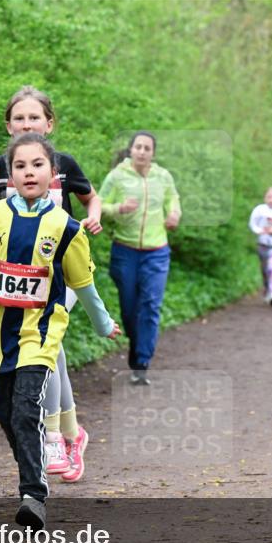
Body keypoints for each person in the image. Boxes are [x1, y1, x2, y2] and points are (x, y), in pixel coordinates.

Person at [0, 133, 120, 529]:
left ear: (53, 174)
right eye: (20, 166)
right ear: (9, 176)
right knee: (5, 412)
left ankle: (33, 494)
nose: (29, 172)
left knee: (28, 408)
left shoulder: (65, 227)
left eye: (37, 165)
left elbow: (83, 285)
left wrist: (103, 324)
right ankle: (33, 469)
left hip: (41, 333)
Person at [0, 86, 98, 483]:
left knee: (45, 345)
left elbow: (91, 199)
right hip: (16, 279)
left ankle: (53, 435)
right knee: (51, 349)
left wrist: (93, 219)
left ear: (49, 123)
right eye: (19, 118)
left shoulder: (63, 164)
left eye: (34, 118)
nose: (26, 124)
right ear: (7, 125)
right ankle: (72, 433)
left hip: (60, 274)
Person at [98, 131, 181, 385]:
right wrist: (118, 208)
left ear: (153, 153)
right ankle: (137, 346)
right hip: (125, 250)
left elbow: (173, 199)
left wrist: (174, 214)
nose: (142, 151)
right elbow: (98, 205)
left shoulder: (163, 176)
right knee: (129, 308)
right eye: (138, 147)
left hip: (157, 251)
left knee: (151, 304)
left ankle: (142, 361)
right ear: (131, 150)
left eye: (147, 148)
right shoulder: (117, 176)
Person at [248, 187, 272, 306]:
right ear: (264, 198)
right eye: (269, 197)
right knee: (264, 270)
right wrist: (260, 230)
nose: (271, 200)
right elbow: (252, 224)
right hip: (262, 244)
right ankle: (267, 288)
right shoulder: (259, 210)